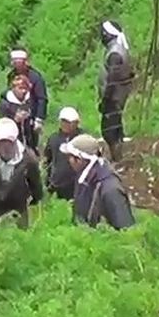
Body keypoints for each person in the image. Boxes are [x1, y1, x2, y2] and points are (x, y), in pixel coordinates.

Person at [61, 134, 136, 231]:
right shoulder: (83, 178)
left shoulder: (110, 189)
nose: (68, 161)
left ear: (79, 160)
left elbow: (126, 230)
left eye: (70, 157)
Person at [98, 20, 135, 162]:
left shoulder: (115, 53)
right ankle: (119, 157)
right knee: (115, 126)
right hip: (118, 96)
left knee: (109, 130)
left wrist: (105, 99)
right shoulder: (119, 50)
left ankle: (117, 159)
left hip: (114, 97)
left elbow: (112, 80)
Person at [43, 107, 84, 201]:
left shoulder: (83, 139)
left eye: (69, 122)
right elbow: (48, 161)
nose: (66, 125)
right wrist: (48, 182)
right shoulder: (54, 139)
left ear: (76, 123)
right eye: (63, 121)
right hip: (58, 183)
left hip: (77, 184)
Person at [0, 74, 41, 149]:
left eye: (25, 88)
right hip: (10, 143)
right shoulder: (4, 104)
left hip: (28, 143)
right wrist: (15, 120)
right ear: (13, 88)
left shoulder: (30, 102)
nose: (23, 91)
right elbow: (0, 124)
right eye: (20, 88)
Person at [9, 49, 49, 127]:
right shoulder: (11, 75)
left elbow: (42, 98)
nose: (17, 65)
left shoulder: (35, 77)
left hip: (31, 117)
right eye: (15, 62)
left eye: (19, 62)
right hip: (14, 116)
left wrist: (39, 119)